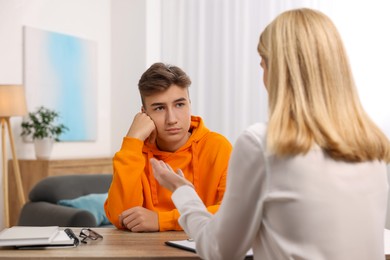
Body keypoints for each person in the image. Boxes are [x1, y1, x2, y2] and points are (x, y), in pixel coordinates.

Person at [151, 8, 390, 260]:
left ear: (278, 70)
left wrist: (183, 192)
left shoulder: (262, 145)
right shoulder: (372, 147)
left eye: (263, 65)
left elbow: (219, 250)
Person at [104, 62, 232, 232]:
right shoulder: (135, 152)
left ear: (189, 104)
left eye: (179, 104)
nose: (171, 119)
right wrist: (132, 141)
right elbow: (121, 217)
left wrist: (161, 220)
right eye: (159, 108)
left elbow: (231, 213)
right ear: (144, 114)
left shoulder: (218, 147)